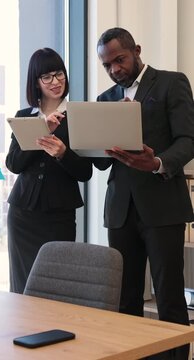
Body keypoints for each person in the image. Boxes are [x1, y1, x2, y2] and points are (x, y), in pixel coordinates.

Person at [93, 27, 194, 360]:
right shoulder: (105, 100)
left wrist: (158, 162)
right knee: (125, 297)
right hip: (120, 211)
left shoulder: (171, 82)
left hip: (163, 206)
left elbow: (188, 140)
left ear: (136, 50)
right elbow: (103, 163)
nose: (114, 70)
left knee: (168, 298)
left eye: (119, 60)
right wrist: (89, 146)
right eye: (107, 65)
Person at [6, 47, 92, 294]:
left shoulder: (78, 116)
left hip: (59, 216)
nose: (55, 82)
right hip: (23, 214)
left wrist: (63, 153)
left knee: (57, 286)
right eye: (47, 77)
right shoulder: (24, 116)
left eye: (59, 74)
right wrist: (41, 130)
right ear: (36, 82)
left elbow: (85, 172)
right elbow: (13, 164)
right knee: (22, 287)